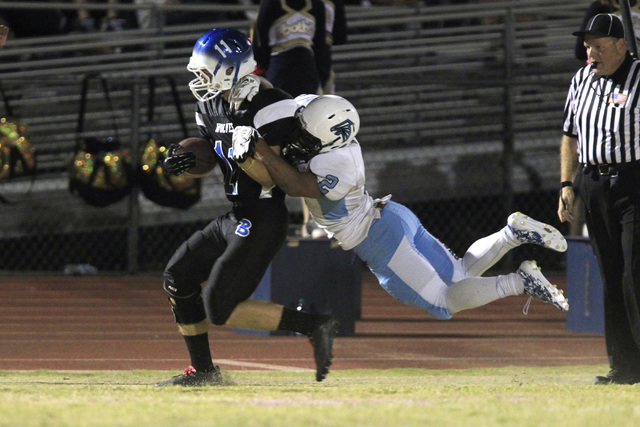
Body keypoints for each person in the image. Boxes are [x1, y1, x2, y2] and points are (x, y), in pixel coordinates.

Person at [230, 94, 570, 328]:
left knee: (442, 304)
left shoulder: (338, 163)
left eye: (307, 133)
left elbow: (293, 186)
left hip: (377, 238)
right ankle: (510, 234)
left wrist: (260, 147)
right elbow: (296, 104)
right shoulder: (327, 122)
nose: (299, 135)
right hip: (391, 218)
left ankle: (519, 282)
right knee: (461, 276)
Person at [155, 28, 339, 387]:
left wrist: (251, 151)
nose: (198, 79)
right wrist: (183, 161)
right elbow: (209, 158)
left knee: (218, 306)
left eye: (205, 71)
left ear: (230, 68)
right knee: (177, 276)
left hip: (265, 213)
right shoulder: (209, 103)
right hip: (236, 213)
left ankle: (315, 324)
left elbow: (275, 179)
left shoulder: (271, 106)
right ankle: (204, 371)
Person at [559, 13, 640, 385]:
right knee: (610, 274)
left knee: (633, 274)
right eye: (588, 46)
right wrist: (566, 185)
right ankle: (623, 366)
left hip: (633, 181)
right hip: (593, 182)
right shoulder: (580, 80)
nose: (591, 53)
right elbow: (570, 136)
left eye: (599, 46)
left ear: (622, 46)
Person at [251, 0, 330, 98]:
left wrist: (263, 66)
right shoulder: (317, 4)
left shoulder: (270, 3)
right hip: (306, 67)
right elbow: (320, 46)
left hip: (279, 68)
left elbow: (260, 40)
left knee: (278, 107)